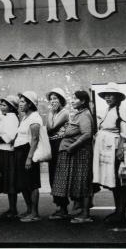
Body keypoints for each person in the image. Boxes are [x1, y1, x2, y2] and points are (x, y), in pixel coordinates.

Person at [92, 82, 126, 226]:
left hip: (116, 148)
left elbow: (125, 133)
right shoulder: (108, 110)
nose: (108, 98)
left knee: (121, 183)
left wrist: (121, 150)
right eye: (106, 96)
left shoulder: (122, 110)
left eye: (111, 95)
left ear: (117, 97)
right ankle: (117, 211)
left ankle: (121, 214)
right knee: (113, 183)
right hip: (107, 149)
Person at [52, 90, 95, 223]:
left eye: (75, 99)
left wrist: (73, 146)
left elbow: (87, 134)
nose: (72, 101)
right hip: (74, 153)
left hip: (80, 153)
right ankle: (79, 210)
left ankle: (85, 214)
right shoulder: (79, 114)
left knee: (83, 183)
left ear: (83, 101)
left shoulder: (85, 115)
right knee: (76, 183)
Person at [14, 91, 43, 222]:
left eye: (23, 102)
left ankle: (35, 213)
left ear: (30, 104)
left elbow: (35, 139)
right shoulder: (26, 116)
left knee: (32, 183)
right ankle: (29, 209)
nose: (20, 104)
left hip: (28, 151)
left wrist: (29, 158)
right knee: (24, 184)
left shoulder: (35, 117)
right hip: (20, 152)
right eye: (20, 101)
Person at [0, 95, 20, 218]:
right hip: (1, 152)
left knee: (10, 181)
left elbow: (10, 137)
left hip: (8, 152)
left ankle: (13, 209)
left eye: (4, 105)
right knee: (7, 181)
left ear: (11, 107)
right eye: (1, 105)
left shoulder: (12, 118)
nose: (1, 107)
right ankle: (11, 208)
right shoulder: (4, 116)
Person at [45, 88, 70, 217]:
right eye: (51, 99)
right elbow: (49, 129)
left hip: (60, 144)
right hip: (52, 144)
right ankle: (60, 205)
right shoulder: (52, 113)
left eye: (55, 98)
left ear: (61, 100)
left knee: (60, 176)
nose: (53, 101)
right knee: (53, 175)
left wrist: (51, 114)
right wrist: (51, 114)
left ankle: (64, 207)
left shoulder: (64, 113)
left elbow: (52, 128)